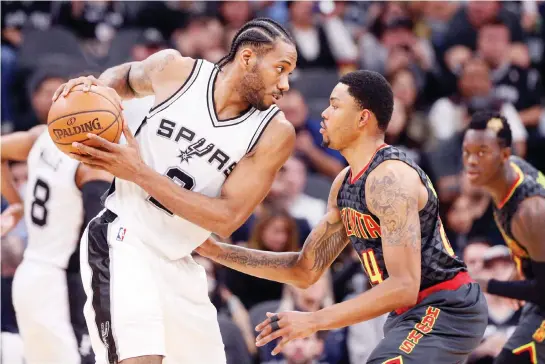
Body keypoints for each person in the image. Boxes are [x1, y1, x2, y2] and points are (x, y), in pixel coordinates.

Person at [196, 70, 488, 363]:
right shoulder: (344, 184)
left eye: (335, 106)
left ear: (363, 118)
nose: (323, 113)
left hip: (446, 307)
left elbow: (404, 286)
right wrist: (216, 251)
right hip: (409, 315)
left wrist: (313, 320)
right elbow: (304, 270)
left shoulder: (391, 179)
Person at [53, 18, 297, 364]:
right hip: (124, 238)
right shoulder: (175, 70)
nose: (285, 83)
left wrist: (139, 173)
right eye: (280, 69)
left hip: (180, 262)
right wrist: (89, 91)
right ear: (246, 58)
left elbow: (227, 218)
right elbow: (115, 81)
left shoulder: (274, 133)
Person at [0, 124, 112, 364]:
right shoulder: (92, 167)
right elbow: (102, 240)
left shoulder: (42, 135)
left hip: (31, 272)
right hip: (62, 283)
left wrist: (15, 203)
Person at [462, 111, 545, 364]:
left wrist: (485, 283)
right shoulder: (509, 176)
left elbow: (542, 292)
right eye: (467, 152)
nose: (471, 161)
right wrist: (519, 270)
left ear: (504, 155)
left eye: (482, 152)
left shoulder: (529, 211)